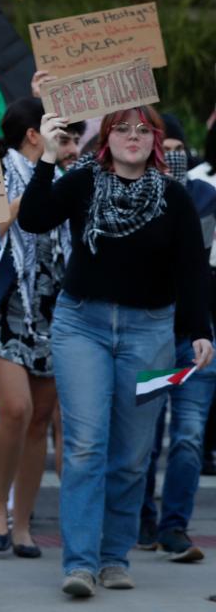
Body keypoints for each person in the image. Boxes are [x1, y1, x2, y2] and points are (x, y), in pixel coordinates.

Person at [19, 107, 214, 598]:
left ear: (156, 140)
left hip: (150, 333)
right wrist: (44, 156)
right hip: (81, 325)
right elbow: (34, 217)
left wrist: (199, 330)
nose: (133, 136)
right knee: (85, 447)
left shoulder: (175, 196)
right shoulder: (84, 180)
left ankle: (113, 557)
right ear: (106, 139)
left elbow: (192, 270)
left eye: (142, 130)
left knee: (131, 455)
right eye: (122, 128)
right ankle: (81, 563)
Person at [0, 98, 69, 559]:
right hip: (7, 304)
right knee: (14, 408)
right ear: (34, 135)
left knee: (39, 419)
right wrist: (34, 189)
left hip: (56, 307)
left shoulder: (68, 172)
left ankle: (24, 524)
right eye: (56, 129)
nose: (66, 137)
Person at [135, 114, 216, 563]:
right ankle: (143, 517)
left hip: (196, 336)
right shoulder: (131, 198)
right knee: (143, 437)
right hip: (149, 332)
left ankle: (175, 528)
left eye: (177, 149)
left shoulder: (205, 198)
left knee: (188, 437)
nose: (172, 158)